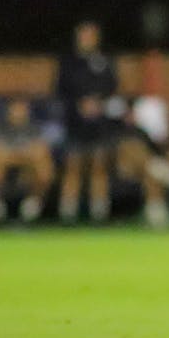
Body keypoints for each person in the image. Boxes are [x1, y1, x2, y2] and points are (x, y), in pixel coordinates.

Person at [56, 20, 118, 223]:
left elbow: (112, 86)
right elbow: (61, 90)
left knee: (99, 165)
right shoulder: (68, 62)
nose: (86, 39)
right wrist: (79, 104)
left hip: (99, 124)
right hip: (75, 123)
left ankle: (99, 213)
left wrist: (98, 103)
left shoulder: (104, 61)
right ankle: (68, 213)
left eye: (90, 36)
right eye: (83, 35)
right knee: (72, 166)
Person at [0, 97, 55, 223]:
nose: (18, 113)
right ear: (9, 112)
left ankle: (34, 202)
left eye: (22, 110)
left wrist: (22, 157)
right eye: (15, 110)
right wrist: (16, 156)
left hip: (27, 162)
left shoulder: (34, 129)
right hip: (6, 161)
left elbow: (40, 149)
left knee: (43, 165)